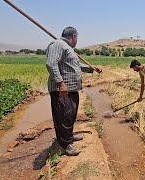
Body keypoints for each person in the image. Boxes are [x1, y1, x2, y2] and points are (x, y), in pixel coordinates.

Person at [46, 27, 101, 156]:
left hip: (71, 89)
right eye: (77, 38)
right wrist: (61, 83)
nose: (77, 40)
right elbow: (50, 64)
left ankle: (69, 138)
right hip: (62, 90)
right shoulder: (58, 44)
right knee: (63, 117)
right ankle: (65, 145)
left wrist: (92, 69)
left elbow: (75, 66)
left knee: (70, 115)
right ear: (73, 36)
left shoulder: (69, 49)